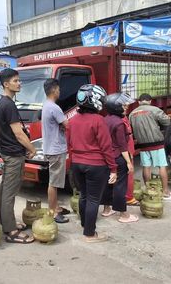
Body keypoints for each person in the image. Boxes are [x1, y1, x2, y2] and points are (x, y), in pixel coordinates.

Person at [68, 84, 118, 242]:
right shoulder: (98, 120)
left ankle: (85, 224)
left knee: (84, 196)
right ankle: (90, 234)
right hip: (96, 165)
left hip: (76, 164)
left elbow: (69, 143)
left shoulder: (73, 120)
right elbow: (106, 147)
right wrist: (113, 169)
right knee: (93, 199)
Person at [0, 68, 36, 244]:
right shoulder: (8, 104)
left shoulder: (3, 103)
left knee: (5, 190)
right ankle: (11, 231)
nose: (19, 83)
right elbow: (18, 133)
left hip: (7, 153)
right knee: (9, 192)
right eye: (16, 81)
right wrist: (32, 149)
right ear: (6, 84)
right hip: (13, 155)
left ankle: (7, 223)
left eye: (19, 81)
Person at [100, 93, 139, 223]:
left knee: (108, 183)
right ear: (116, 107)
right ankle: (123, 215)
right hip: (118, 157)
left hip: (106, 157)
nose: (126, 107)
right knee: (120, 186)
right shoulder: (119, 123)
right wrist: (129, 163)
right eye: (123, 105)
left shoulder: (105, 119)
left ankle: (106, 209)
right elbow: (122, 146)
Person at [129, 94, 171, 200]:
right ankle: (165, 192)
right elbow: (167, 121)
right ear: (150, 101)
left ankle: (148, 189)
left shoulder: (132, 113)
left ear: (139, 102)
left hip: (142, 144)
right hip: (156, 142)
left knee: (146, 166)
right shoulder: (155, 110)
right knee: (162, 166)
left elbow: (130, 128)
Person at [41, 78, 69, 224]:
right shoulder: (54, 107)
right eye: (58, 89)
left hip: (50, 148)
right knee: (54, 183)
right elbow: (67, 125)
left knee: (54, 182)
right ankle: (52, 212)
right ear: (53, 90)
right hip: (56, 149)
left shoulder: (46, 105)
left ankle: (55, 207)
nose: (59, 91)